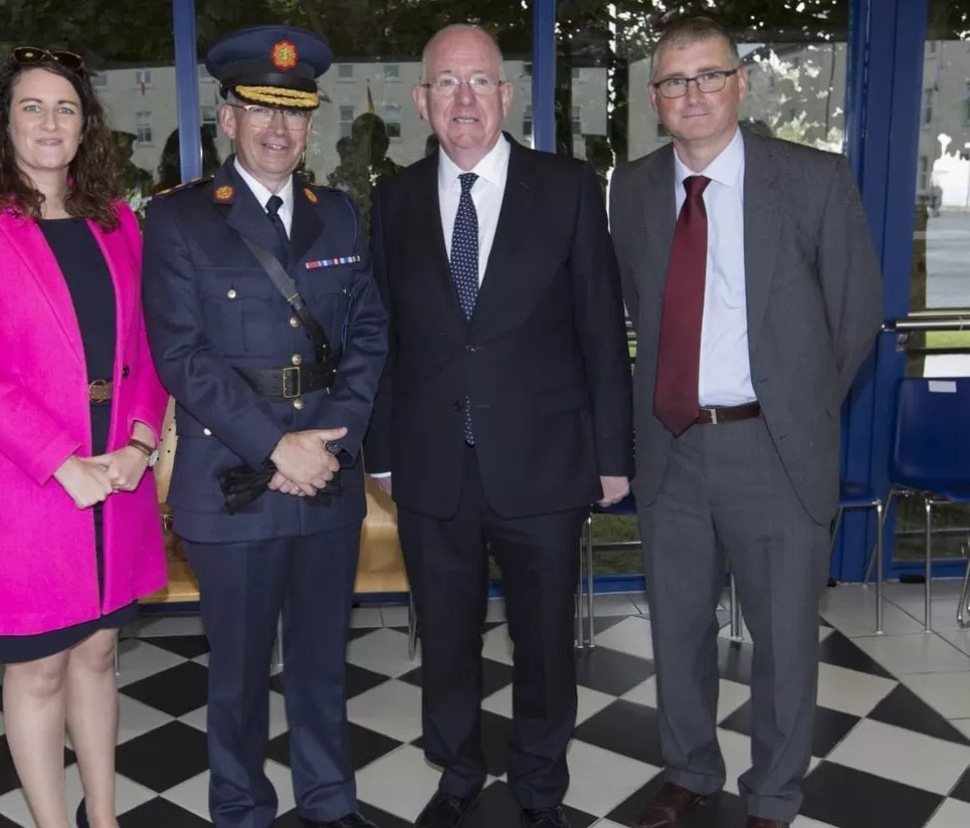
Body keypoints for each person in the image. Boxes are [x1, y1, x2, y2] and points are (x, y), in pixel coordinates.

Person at [607, 16, 882, 828]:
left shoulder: (812, 179)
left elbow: (855, 314)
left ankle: (772, 792)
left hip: (773, 448)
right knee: (678, 630)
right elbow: (638, 306)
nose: (691, 94)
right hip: (673, 449)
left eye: (707, 76)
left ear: (740, 84)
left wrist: (796, 408)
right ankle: (691, 769)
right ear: (655, 98)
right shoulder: (634, 188)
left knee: (785, 641)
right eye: (673, 81)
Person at [363, 23, 633, 828]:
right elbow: (380, 336)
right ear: (422, 102)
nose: (464, 100)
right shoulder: (396, 199)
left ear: (506, 96)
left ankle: (540, 784)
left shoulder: (569, 186)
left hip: (547, 464)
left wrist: (610, 456)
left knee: (543, 641)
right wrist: (379, 453)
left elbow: (599, 331)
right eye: (446, 84)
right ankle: (456, 775)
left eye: (479, 82)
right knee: (444, 638)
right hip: (431, 464)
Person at [140, 25, 388, 828]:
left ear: (311, 121)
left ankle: (328, 799)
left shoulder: (341, 217)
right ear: (228, 118)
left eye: (295, 112)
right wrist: (274, 445)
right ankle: (241, 807)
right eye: (260, 110)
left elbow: (371, 336)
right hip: (233, 482)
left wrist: (333, 436)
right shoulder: (180, 221)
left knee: (320, 664)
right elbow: (182, 355)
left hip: (325, 479)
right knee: (239, 673)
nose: (279, 129)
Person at [0, 47, 169, 828]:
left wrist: (139, 441)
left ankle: (104, 816)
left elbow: (151, 346)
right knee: (38, 672)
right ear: (5, 122)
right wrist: (62, 463)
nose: (50, 122)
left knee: (98, 655)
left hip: (116, 479)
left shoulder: (118, 221)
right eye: (32, 106)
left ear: (86, 125)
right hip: (28, 488)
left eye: (66, 107)